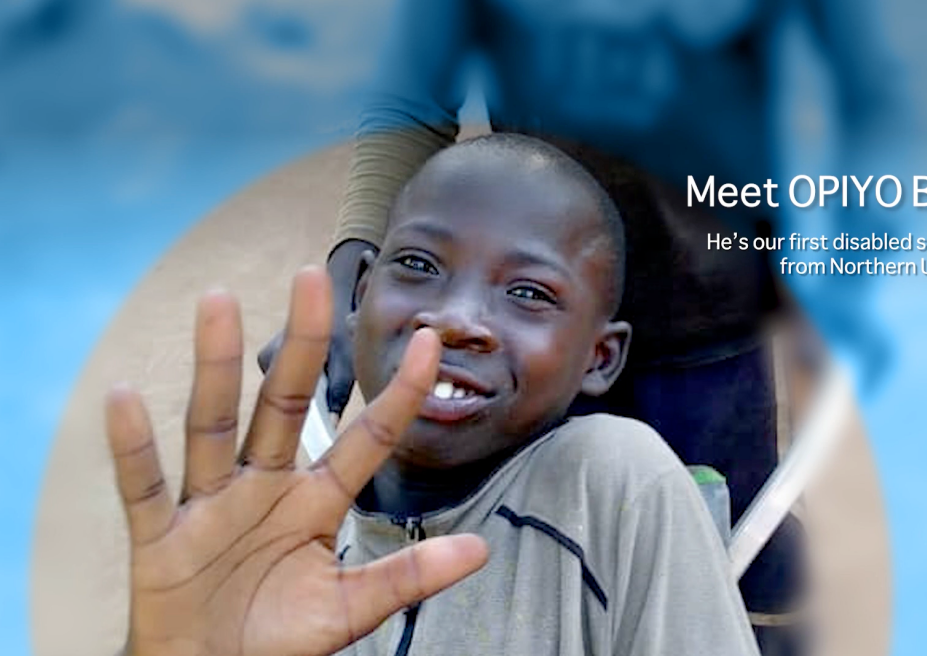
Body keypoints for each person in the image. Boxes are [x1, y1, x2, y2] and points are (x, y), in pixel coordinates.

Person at [276, 5, 905, 652]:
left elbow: (867, 92)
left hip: (710, 322)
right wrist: (348, 271)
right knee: (510, 564)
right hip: (525, 333)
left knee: (721, 559)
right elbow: (412, 98)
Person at [108, 134, 761, 656]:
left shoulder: (613, 480)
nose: (455, 319)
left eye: (529, 292)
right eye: (419, 265)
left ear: (600, 357)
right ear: (358, 293)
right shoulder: (278, 545)